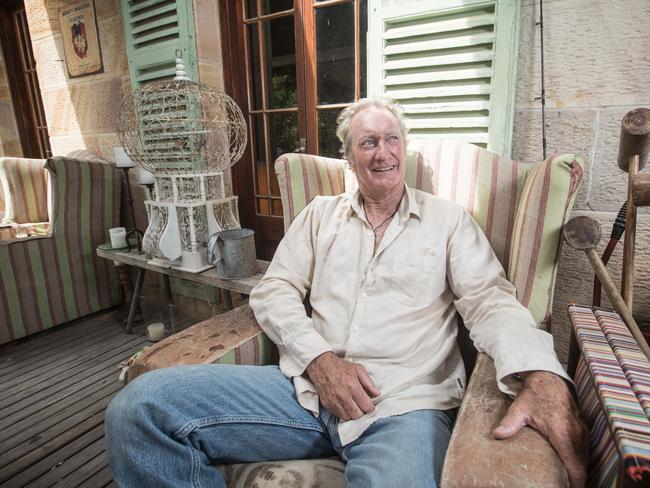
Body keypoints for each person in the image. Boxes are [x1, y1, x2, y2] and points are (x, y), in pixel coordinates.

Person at [105, 98, 587, 488]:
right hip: (304, 394)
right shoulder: (319, 214)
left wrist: (541, 376)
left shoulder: (448, 221)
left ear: (405, 148)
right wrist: (320, 361)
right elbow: (275, 290)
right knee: (140, 408)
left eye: (392, 139)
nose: (383, 152)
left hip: (401, 406)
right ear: (349, 158)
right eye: (369, 141)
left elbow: (490, 301)